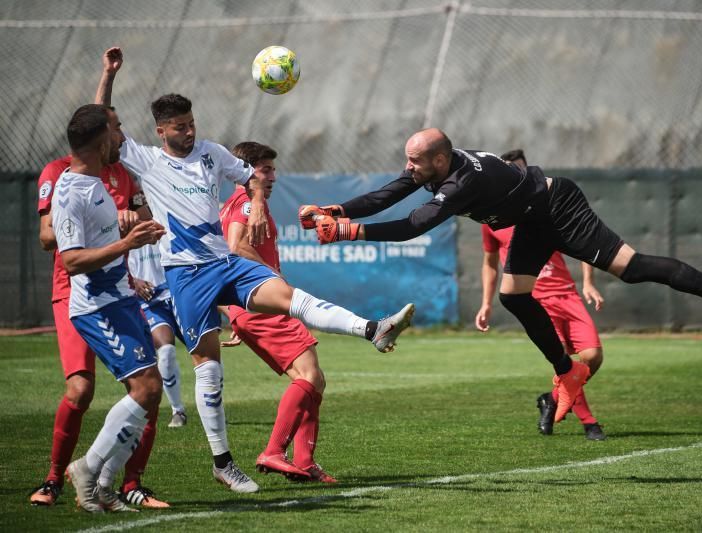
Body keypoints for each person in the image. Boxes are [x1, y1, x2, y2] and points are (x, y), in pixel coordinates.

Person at [97, 47, 414, 493]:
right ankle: (223, 462)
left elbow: (251, 176)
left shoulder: (209, 153)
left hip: (224, 263)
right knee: (209, 370)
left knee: (290, 297)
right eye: (180, 127)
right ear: (161, 130)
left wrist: (260, 201)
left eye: (192, 124)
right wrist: (109, 74)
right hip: (185, 276)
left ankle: (373, 329)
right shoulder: (146, 160)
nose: (189, 132)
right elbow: (101, 118)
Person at [299, 128, 702, 424]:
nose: (410, 167)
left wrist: (347, 231)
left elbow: (412, 226)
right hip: (532, 216)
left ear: (439, 161)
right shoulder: (436, 164)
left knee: (631, 269)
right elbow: (388, 193)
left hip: (557, 207)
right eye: (409, 159)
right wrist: (335, 209)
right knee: (514, 295)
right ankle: (567, 371)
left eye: (416, 161)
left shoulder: (462, 182)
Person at [30, 118, 169, 509]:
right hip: (97, 307)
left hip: (121, 298)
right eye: (115, 133)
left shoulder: (100, 182)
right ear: (98, 141)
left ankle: (105, 485)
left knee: (150, 391)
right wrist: (126, 242)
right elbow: (71, 260)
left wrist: (134, 237)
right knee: (143, 388)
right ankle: (85, 470)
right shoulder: (70, 192)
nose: (122, 139)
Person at [219, 141, 336, 482]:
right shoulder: (244, 203)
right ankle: (274, 451)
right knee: (310, 377)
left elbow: (223, 260)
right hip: (263, 305)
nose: (273, 176)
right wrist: (272, 277)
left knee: (314, 380)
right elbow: (236, 247)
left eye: (272, 168)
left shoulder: (236, 205)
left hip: (252, 307)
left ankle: (304, 462)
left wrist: (234, 314)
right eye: (265, 169)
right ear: (245, 173)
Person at [475, 149, 606, 441]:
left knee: (593, 356)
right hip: (534, 301)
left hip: (567, 295)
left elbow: (585, 239)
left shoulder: (547, 205)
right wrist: (485, 303)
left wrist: (588, 281)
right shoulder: (493, 220)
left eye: (523, 172)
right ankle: (589, 422)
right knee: (563, 361)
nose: (519, 178)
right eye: (512, 173)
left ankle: (552, 397)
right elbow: (489, 264)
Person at [128, 243, 188, 428]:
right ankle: (178, 410)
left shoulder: (164, 215)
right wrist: (133, 281)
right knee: (166, 351)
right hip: (151, 300)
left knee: (206, 351)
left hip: (180, 292)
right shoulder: (119, 221)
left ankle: (215, 406)